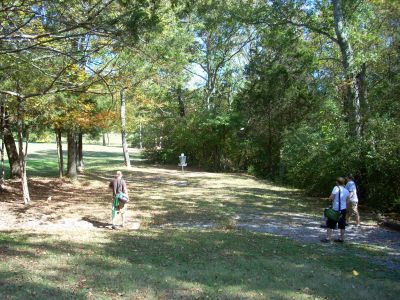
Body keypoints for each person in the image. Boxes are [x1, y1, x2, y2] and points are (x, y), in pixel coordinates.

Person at [321, 177, 350, 243]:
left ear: (337, 182)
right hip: (343, 210)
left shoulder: (336, 188)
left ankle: (328, 238)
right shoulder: (346, 190)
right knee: (342, 225)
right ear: (343, 183)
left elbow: (331, 198)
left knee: (330, 224)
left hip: (335, 209)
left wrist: (330, 199)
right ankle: (341, 239)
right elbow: (348, 201)